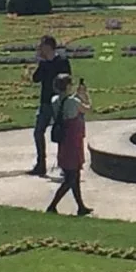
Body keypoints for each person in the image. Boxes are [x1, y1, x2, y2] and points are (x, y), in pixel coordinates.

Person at [46, 69, 90, 216]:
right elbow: (87, 108)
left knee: (74, 176)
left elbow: (68, 104)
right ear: (67, 86)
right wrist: (84, 95)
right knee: (71, 177)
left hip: (64, 140)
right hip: (73, 139)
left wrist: (77, 96)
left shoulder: (55, 100)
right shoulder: (73, 101)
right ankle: (52, 205)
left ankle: (81, 206)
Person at [26, 34, 67, 177]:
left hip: (59, 102)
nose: (39, 48)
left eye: (42, 46)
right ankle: (41, 164)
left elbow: (67, 80)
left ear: (48, 47)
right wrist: (40, 63)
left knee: (61, 134)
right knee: (38, 132)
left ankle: (64, 164)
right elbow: (36, 79)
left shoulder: (62, 61)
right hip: (45, 102)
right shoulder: (44, 63)